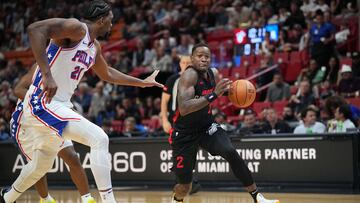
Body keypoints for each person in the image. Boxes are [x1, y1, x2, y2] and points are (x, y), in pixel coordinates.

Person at [0, 1, 163, 203]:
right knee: (100, 139)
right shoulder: (77, 28)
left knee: (41, 165)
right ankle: (108, 200)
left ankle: (7, 198)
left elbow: (108, 73)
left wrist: (141, 83)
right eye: (111, 21)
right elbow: (35, 29)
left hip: (59, 104)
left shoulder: (94, 47)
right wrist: (46, 74)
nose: (112, 25)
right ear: (101, 19)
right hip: (41, 102)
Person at [169, 43, 279, 203]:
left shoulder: (213, 73)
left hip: (206, 126)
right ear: (192, 59)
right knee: (185, 186)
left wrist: (237, 92)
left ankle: (257, 197)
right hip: (184, 134)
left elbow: (220, 91)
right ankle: (177, 199)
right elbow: (185, 108)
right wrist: (214, 94)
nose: (204, 59)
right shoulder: (189, 76)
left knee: (230, 152)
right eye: (199, 56)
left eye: (207, 56)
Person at [10, 64, 95, 203]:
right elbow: (18, 89)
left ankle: (87, 199)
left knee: (72, 157)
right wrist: (43, 103)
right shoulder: (40, 67)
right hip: (27, 120)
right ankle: (45, 199)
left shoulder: (70, 70)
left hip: (51, 116)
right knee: (37, 166)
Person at [160, 55, 201, 195]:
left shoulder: (197, 79)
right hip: (175, 121)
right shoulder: (172, 79)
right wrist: (164, 120)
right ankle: (183, 182)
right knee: (178, 151)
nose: (185, 65)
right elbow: (164, 101)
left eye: (188, 62)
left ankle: (188, 182)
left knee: (190, 150)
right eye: (183, 62)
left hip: (192, 120)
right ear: (179, 64)